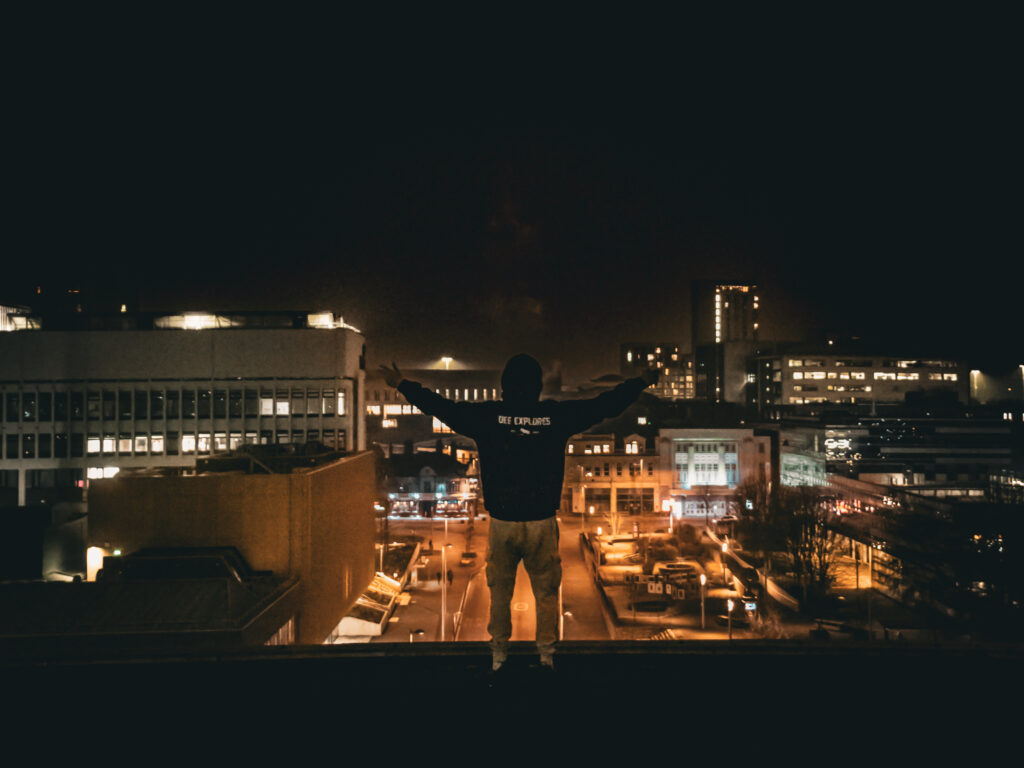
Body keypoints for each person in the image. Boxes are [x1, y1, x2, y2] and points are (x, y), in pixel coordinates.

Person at [380, 354, 658, 673]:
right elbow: (605, 404)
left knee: (499, 591)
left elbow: (441, 406)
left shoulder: (487, 417)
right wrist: (642, 382)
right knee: (546, 591)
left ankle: (499, 658)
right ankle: (546, 657)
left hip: (503, 522)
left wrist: (402, 384)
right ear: (539, 387)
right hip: (541, 521)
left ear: (504, 388)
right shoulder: (556, 416)